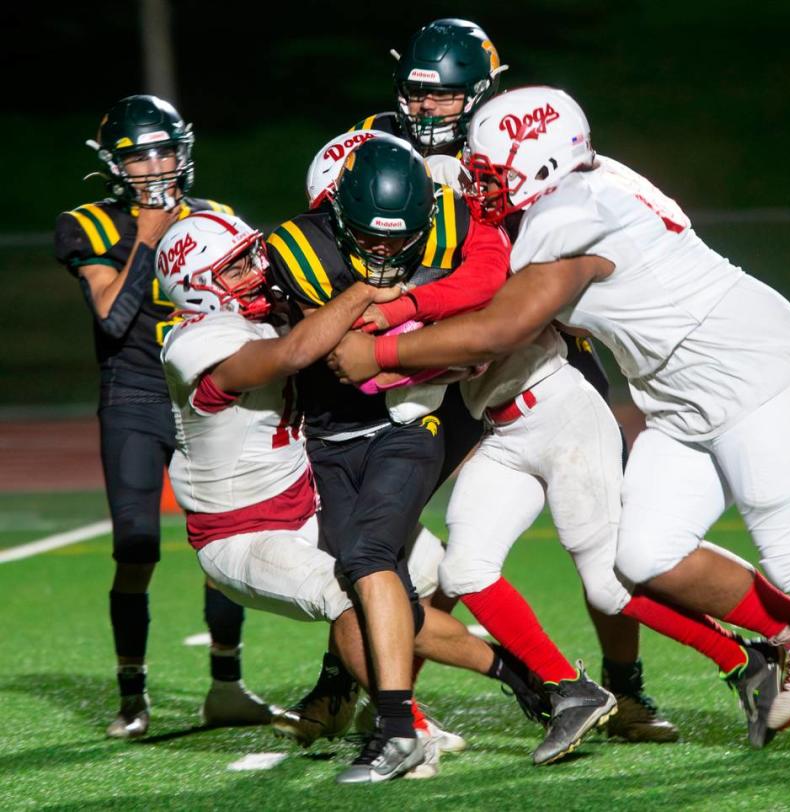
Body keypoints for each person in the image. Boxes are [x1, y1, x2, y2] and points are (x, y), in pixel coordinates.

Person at [327, 86, 790, 757]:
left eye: (492, 171)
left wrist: (382, 349)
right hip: (677, 396)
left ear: (540, 165)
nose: (481, 184)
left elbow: (501, 327)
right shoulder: (577, 190)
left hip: (753, 370)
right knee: (644, 554)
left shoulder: (575, 212)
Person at [348, 18, 673, 743]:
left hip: (527, 346)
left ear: (484, 95)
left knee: (603, 539)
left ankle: (627, 691)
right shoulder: (374, 146)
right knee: (386, 529)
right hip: (431, 357)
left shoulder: (515, 143)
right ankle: (370, 690)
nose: (427, 110)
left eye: (447, 98)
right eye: (416, 96)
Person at [156, 210, 547, 782]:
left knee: (433, 572)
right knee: (351, 597)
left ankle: (523, 679)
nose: (255, 271)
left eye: (249, 255)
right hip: (241, 534)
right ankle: (400, 724)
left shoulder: (274, 315)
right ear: (196, 288)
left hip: (307, 505)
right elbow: (291, 356)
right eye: (234, 268)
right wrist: (369, 282)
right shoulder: (195, 341)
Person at [54, 94, 269, 739]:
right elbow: (114, 319)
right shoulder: (86, 225)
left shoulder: (216, 218)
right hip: (136, 394)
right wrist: (146, 240)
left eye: (163, 150)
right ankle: (132, 696)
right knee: (137, 546)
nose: (154, 166)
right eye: (137, 156)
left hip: (203, 393)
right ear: (114, 166)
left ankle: (226, 686)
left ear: (185, 149)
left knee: (223, 538)